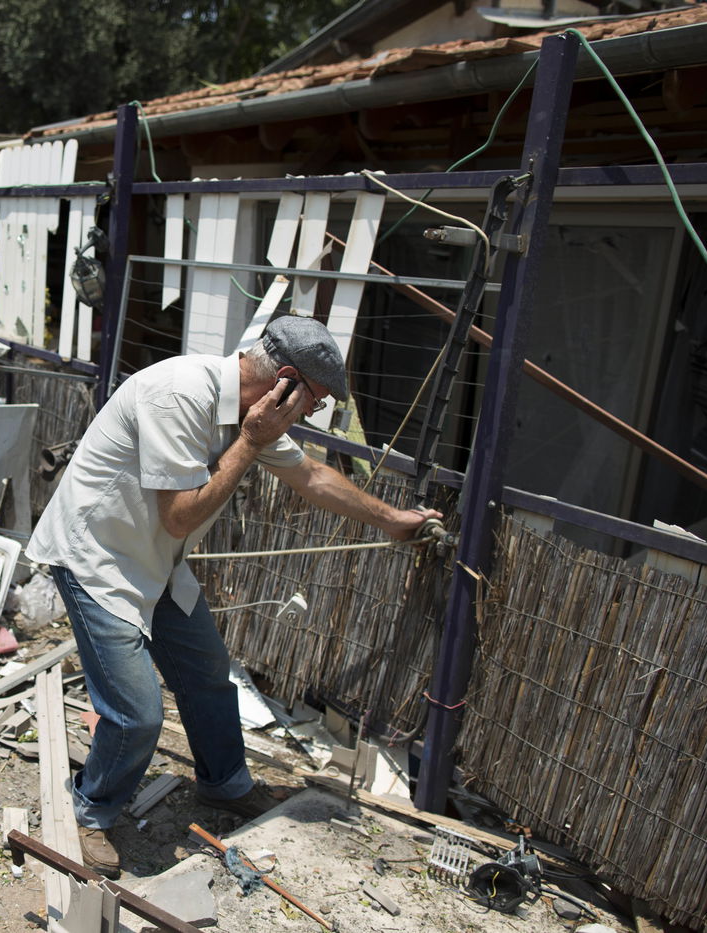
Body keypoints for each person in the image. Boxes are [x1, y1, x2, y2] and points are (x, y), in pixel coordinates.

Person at [25, 315, 440, 878]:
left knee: (208, 675)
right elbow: (181, 516)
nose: (312, 413)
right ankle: (92, 813)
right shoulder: (178, 395)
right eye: (314, 401)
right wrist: (250, 442)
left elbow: (311, 477)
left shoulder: (249, 414)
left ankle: (225, 784)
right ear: (286, 382)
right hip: (97, 559)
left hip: (154, 565)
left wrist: (394, 520)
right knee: (136, 715)